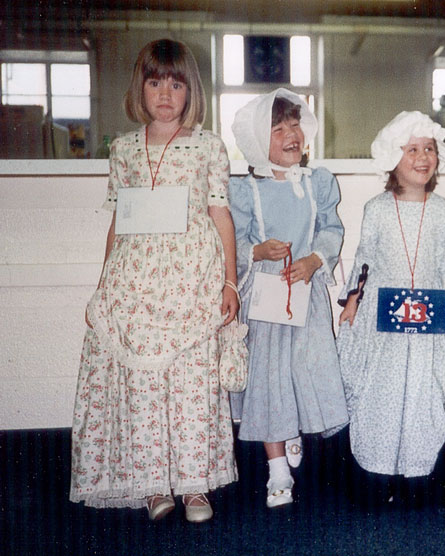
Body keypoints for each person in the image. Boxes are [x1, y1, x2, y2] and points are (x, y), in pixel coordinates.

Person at [70, 39, 239, 523]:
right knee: (142, 384)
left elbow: (220, 214)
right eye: (154, 81)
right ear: (140, 88)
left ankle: (194, 487)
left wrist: (230, 283)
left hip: (190, 280)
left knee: (191, 384)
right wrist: (103, 287)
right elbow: (117, 221)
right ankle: (151, 484)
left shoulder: (207, 146)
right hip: (136, 280)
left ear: (190, 90)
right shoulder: (122, 149)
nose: (165, 93)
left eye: (176, 82)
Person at [228, 89, 348, 508]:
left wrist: (316, 260)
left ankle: (293, 426)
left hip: (306, 291)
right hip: (267, 295)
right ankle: (277, 470)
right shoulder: (245, 190)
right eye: (278, 129)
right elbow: (232, 243)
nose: (291, 134)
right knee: (270, 376)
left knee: (305, 367)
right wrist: (257, 252)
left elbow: (331, 230)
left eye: (295, 124)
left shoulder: (319, 182)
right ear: (261, 141)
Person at [337, 111, 445, 482]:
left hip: (429, 316)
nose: (422, 157)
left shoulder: (443, 213)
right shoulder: (376, 209)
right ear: (391, 160)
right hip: (385, 315)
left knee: (424, 390)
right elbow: (365, 259)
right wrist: (353, 300)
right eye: (411, 149)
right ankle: (377, 468)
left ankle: (420, 469)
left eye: (429, 148)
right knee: (384, 388)